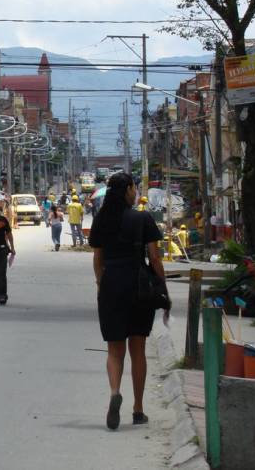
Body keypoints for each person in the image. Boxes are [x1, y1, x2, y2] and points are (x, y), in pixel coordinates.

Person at [89, 172, 169, 430]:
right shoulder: (142, 218)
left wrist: (101, 285)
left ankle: (114, 393)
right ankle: (138, 409)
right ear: (128, 190)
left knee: (114, 349)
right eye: (134, 188)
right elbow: (155, 258)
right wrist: (162, 287)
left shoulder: (102, 220)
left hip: (111, 283)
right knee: (138, 349)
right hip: (138, 286)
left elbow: (97, 259)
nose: (136, 192)